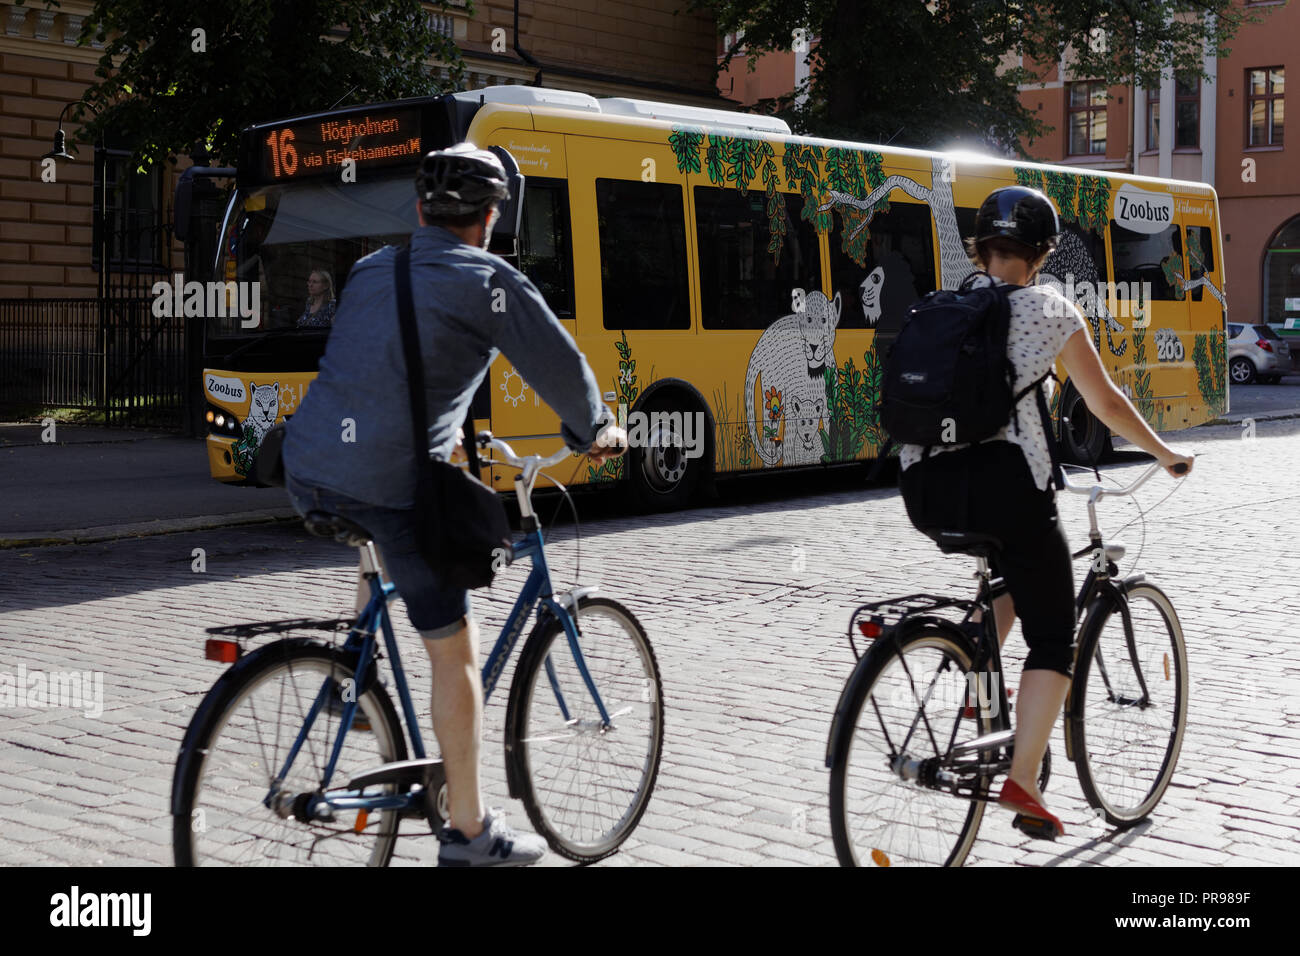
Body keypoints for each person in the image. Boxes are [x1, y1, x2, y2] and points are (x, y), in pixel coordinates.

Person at [281, 142, 626, 866]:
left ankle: (355, 682)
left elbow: (374, 373)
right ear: (492, 218)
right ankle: (470, 832)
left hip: (307, 463)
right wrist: (597, 431)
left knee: (380, 541)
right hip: (392, 484)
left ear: (418, 212)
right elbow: (562, 368)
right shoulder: (489, 279)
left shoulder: (372, 269)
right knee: (453, 651)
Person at [896, 185, 1194, 838]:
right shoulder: (1049, 310)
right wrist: (1166, 453)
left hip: (924, 488)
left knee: (1010, 578)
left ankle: (980, 682)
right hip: (1007, 490)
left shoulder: (946, 304)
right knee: (1054, 634)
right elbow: (1108, 404)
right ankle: (1022, 779)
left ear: (979, 249)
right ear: (1044, 253)